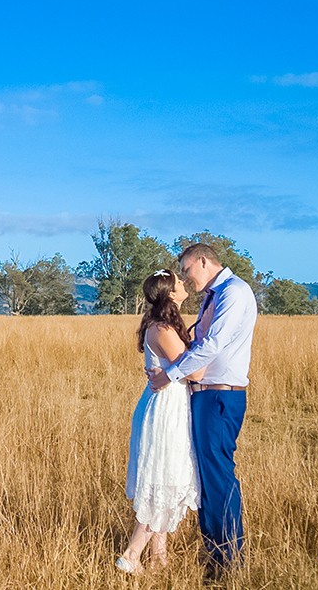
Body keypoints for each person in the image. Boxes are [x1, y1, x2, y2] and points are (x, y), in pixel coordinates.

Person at [147, 242, 258, 574]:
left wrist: (169, 374)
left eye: (187, 269)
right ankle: (216, 555)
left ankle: (228, 561)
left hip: (220, 396)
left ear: (204, 261)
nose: (185, 277)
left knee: (218, 478)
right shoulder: (215, 296)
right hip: (205, 395)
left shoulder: (234, 292)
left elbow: (213, 344)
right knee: (208, 478)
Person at [117, 269, 204, 574]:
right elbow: (195, 373)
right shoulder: (163, 329)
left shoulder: (162, 326)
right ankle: (131, 553)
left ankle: (159, 556)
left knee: (166, 476)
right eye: (179, 284)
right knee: (164, 478)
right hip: (166, 408)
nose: (184, 286)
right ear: (169, 293)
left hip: (168, 403)